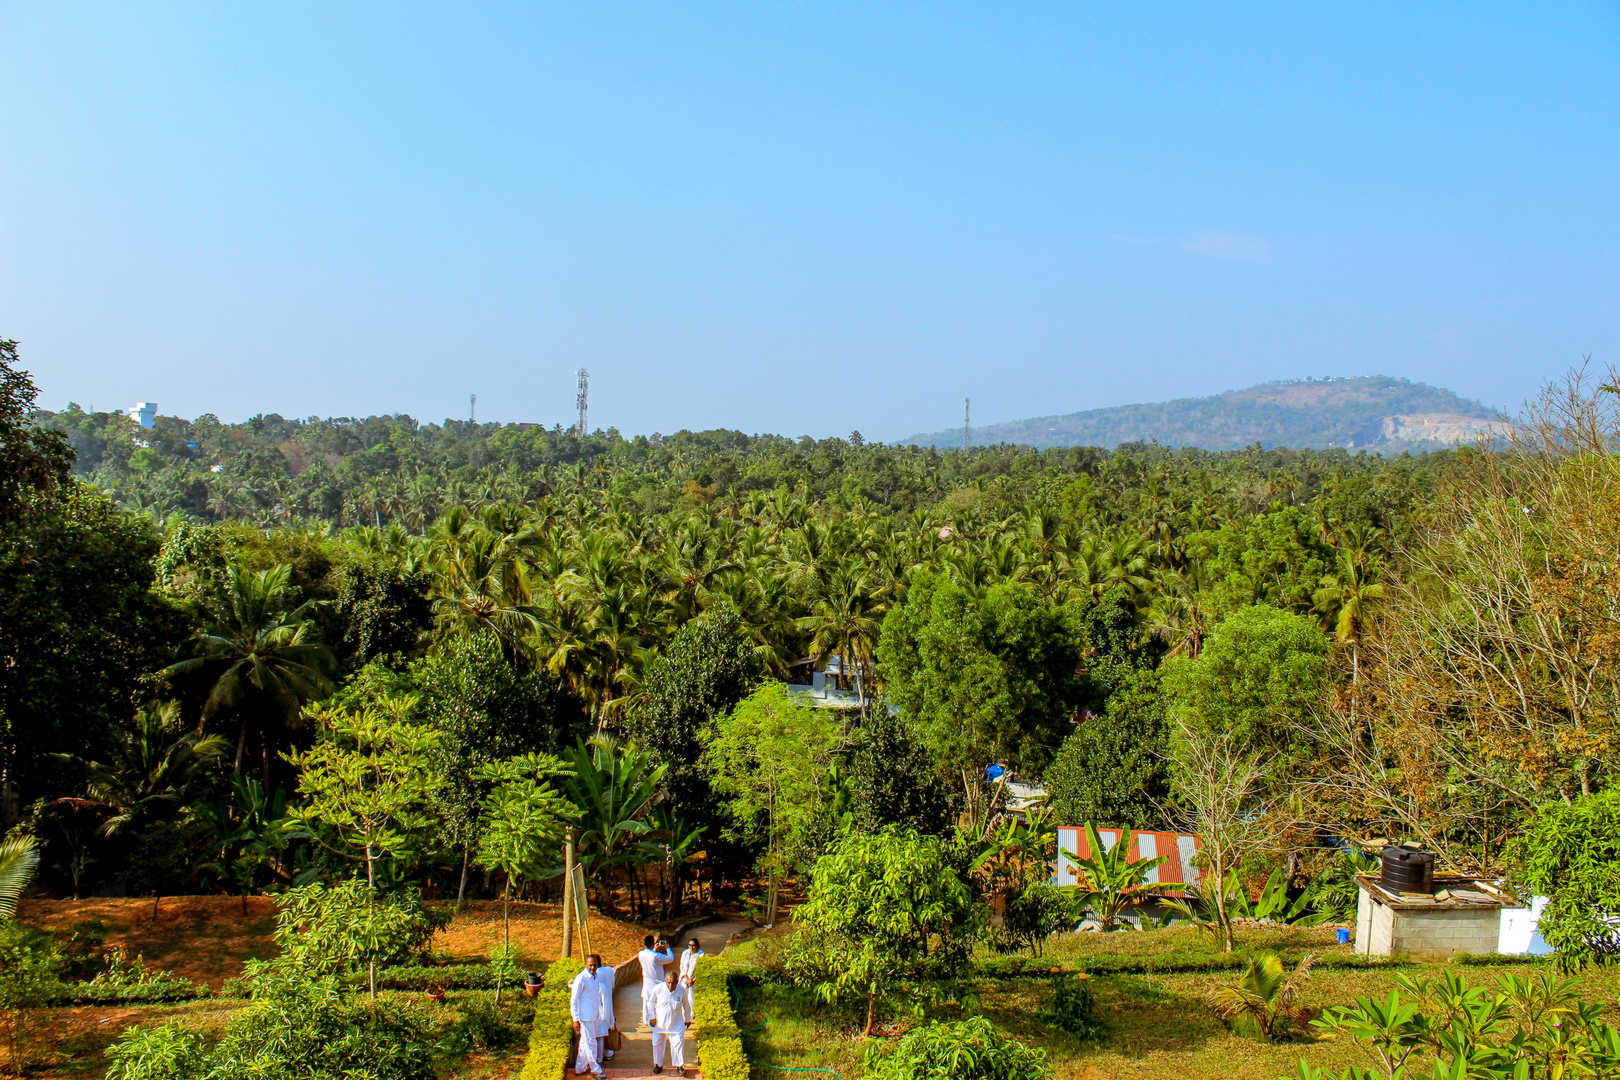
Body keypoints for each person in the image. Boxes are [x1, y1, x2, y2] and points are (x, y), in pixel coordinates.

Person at [647, 968, 694, 1076]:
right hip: (659, 1023)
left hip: (676, 1023)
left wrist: (687, 1019)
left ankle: (679, 1065)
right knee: (657, 1043)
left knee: (678, 1043)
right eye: (668, 982)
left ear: (677, 982)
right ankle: (658, 1065)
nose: (670, 985)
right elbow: (651, 1003)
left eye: (673, 983)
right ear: (665, 980)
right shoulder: (658, 989)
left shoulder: (681, 990)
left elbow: (686, 1005)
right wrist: (652, 1017)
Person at [569, 953, 609, 1078]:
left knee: (584, 1043)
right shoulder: (581, 978)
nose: (593, 967)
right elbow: (574, 1000)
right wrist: (575, 1019)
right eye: (590, 965)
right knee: (591, 1043)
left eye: (595, 965)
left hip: (594, 1016)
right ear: (586, 965)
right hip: (585, 1018)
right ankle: (596, 1070)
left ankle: (580, 1068)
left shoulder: (595, 976)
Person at [636, 933, 674, 1027]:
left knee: (646, 999)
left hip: (647, 980)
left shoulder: (641, 954)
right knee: (658, 1001)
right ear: (653, 943)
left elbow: (649, 955)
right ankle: (659, 1019)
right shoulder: (656, 956)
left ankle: (646, 1020)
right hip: (657, 981)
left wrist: (654, 950)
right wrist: (667, 948)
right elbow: (670, 959)